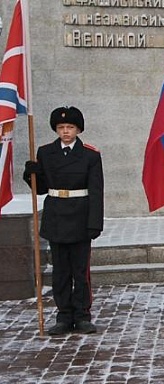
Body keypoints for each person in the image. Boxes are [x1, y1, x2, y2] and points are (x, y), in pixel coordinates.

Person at [23, 106, 104, 335]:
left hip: (80, 215)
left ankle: (82, 315)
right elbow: (40, 189)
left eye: (70, 127)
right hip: (57, 214)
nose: (66, 131)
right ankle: (64, 316)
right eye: (61, 128)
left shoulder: (90, 154)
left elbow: (96, 191)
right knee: (60, 271)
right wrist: (31, 174)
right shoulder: (46, 152)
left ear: (78, 129)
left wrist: (95, 222)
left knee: (80, 271)